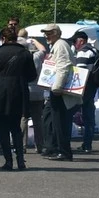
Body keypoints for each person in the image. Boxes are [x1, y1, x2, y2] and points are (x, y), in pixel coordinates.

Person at [0, 27, 35, 170]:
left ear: (3, 38)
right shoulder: (25, 54)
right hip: (19, 90)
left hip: (0, 90)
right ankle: (20, 160)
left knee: (3, 128)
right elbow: (32, 75)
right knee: (16, 127)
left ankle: (8, 161)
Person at [40, 24, 75, 161]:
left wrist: (57, 87)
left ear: (56, 33)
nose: (46, 36)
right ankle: (52, 147)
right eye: (46, 33)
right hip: (55, 88)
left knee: (59, 121)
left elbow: (63, 66)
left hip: (59, 90)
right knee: (49, 117)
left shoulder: (60, 45)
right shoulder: (57, 45)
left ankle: (64, 152)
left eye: (49, 33)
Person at [71, 30, 99, 154]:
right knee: (89, 117)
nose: (74, 45)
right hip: (92, 87)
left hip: (83, 88)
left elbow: (80, 72)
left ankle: (64, 143)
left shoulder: (83, 52)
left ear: (81, 41)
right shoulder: (94, 51)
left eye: (74, 42)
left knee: (69, 112)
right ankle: (87, 144)